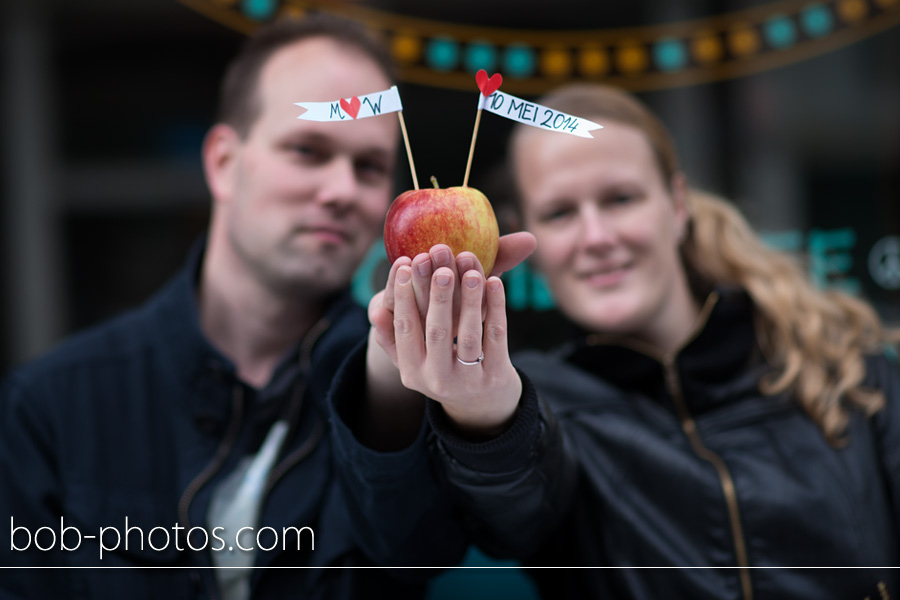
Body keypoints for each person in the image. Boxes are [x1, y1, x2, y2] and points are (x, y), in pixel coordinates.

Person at [0, 13, 489, 599]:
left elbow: (420, 554)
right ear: (223, 164)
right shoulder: (53, 403)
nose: (340, 190)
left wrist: (398, 404)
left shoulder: (396, 387)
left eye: (369, 167)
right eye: (308, 150)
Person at [370, 84, 900, 599]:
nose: (597, 237)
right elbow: (514, 507)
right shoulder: (544, 404)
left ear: (677, 205)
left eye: (620, 199)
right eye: (560, 213)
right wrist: (488, 419)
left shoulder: (850, 367)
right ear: (522, 234)